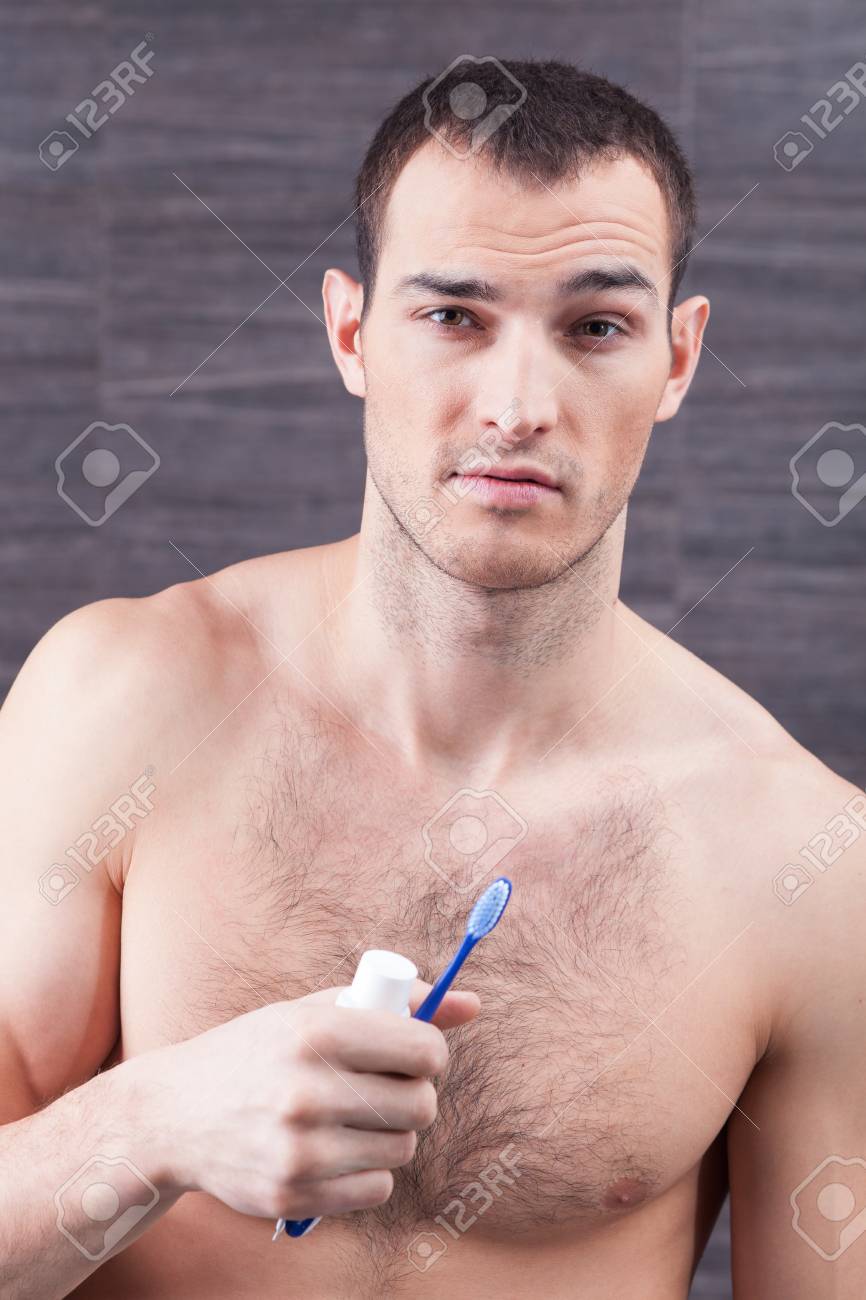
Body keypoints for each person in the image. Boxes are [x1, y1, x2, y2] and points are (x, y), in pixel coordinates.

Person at [2, 57, 864, 1300]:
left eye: (594, 327)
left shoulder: (805, 859)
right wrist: (153, 1121)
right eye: (453, 316)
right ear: (351, 331)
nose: (517, 404)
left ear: (677, 360)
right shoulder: (120, 699)